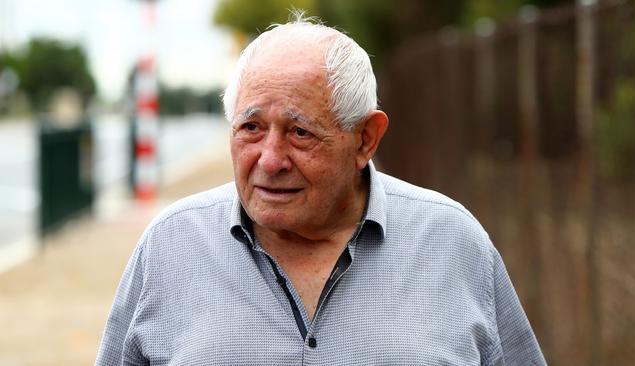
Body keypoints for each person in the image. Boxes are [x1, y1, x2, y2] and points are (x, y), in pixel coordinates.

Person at [96, 13, 546, 366]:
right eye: (250, 127)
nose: (270, 160)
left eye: (300, 133)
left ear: (366, 140)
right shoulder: (170, 245)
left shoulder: (452, 241)